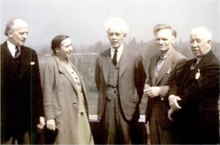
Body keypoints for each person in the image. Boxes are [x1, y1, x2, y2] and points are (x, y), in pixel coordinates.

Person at [95, 17, 146, 144]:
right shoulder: (101, 57)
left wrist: (132, 100)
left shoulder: (135, 57)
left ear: (124, 35)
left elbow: (140, 83)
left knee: (128, 140)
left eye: (117, 34)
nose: (114, 37)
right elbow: (98, 82)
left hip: (128, 108)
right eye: (111, 34)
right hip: (107, 108)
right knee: (108, 140)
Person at [168, 27, 219, 144]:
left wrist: (174, 106)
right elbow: (175, 82)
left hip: (202, 129)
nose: (194, 45)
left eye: (198, 41)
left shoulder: (214, 66)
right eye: (192, 41)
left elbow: (195, 90)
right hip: (185, 126)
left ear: (209, 43)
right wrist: (171, 96)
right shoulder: (189, 63)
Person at [41, 35, 94, 144]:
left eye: (71, 45)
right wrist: (50, 117)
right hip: (64, 117)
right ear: (57, 49)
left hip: (79, 115)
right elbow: (47, 93)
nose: (71, 48)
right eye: (67, 46)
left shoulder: (68, 62)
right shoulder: (50, 64)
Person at [0, 18, 45, 144]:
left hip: (27, 119)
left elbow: (37, 87)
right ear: (9, 33)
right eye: (21, 33)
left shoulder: (31, 54)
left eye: (27, 33)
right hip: (4, 120)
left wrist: (40, 115)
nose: (25, 36)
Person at [144, 24, 186, 144]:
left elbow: (181, 88)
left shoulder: (180, 60)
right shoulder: (153, 59)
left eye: (164, 39)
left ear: (173, 39)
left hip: (169, 116)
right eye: (158, 39)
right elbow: (150, 81)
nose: (160, 42)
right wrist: (146, 87)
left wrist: (160, 90)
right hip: (152, 114)